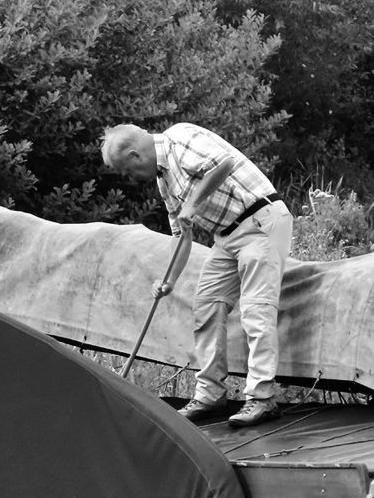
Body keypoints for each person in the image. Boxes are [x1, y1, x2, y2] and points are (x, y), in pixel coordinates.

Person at [101, 123, 292, 429]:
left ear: (136, 155)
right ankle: (210, 395)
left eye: (127, 171)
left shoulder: (180, 138)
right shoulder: (165, 181)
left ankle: (262, 398)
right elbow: (180, 234)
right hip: (227, 237)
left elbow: (223, 163)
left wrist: (193, 204)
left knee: (256, 311)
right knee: (206, 306)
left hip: (260, 222)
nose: (130, 179)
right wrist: (169, 279)